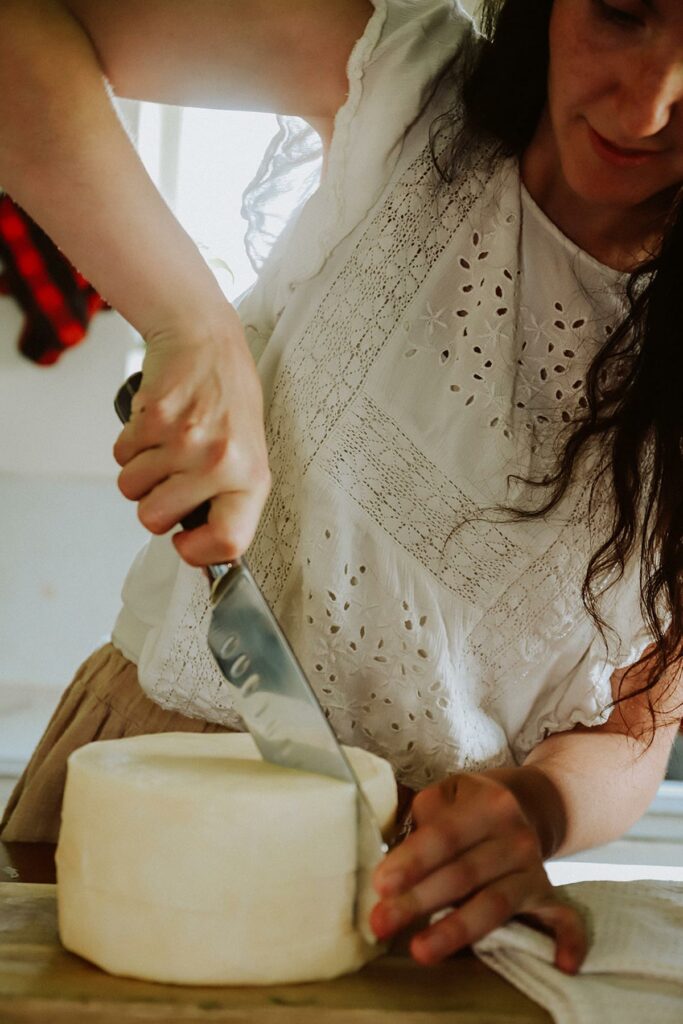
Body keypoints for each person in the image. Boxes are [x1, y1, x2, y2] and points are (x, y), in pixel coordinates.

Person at [1, 0, 682, 975]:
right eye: (623, 12)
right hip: (143, 787)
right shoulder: (401, 93)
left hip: (418, 897)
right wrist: (189, 322)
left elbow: (632, 727)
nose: (649, 102)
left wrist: (531, 811)